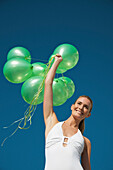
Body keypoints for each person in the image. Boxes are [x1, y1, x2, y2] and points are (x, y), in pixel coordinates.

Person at [43, 54, 92, 170]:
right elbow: (48, 84)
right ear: (72, 106)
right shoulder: (52, 123)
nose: (81, 107)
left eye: (86, 107)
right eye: (79, 103)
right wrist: (56, 63)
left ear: (88, 114)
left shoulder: (85, 142)